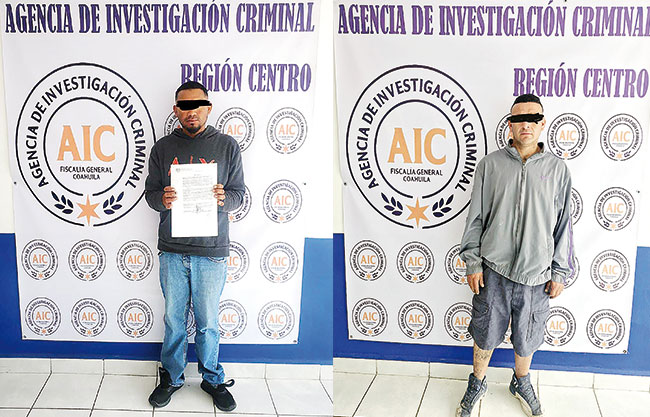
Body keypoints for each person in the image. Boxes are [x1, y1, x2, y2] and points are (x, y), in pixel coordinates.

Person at [456, 94, 574, 417]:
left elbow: (564, 224)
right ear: (510, 124)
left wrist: (560, 271)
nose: (526, 125)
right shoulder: (490, 166)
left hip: (537, 274)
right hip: (493, 270)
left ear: (542, 124)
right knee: (485, 332)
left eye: (533, 118)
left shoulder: (558, 170)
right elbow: (475, 218)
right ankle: (477, 382)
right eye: (519, 118)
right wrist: (472, 262)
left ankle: (521, 382)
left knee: (527, 337)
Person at [144, 80, 245, 411]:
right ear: (176, 110)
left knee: (208, 322)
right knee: (174, 321)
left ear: (208, 108)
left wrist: (223, 198)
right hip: (172, 250)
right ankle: (172, 377)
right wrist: (163, 199)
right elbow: (150, 195)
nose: (191, 112)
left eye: (197, 105)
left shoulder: (227, 146)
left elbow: (239, 195)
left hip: (211, 252)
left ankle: (212, 378)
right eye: (184, 106)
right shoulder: (162, 149)